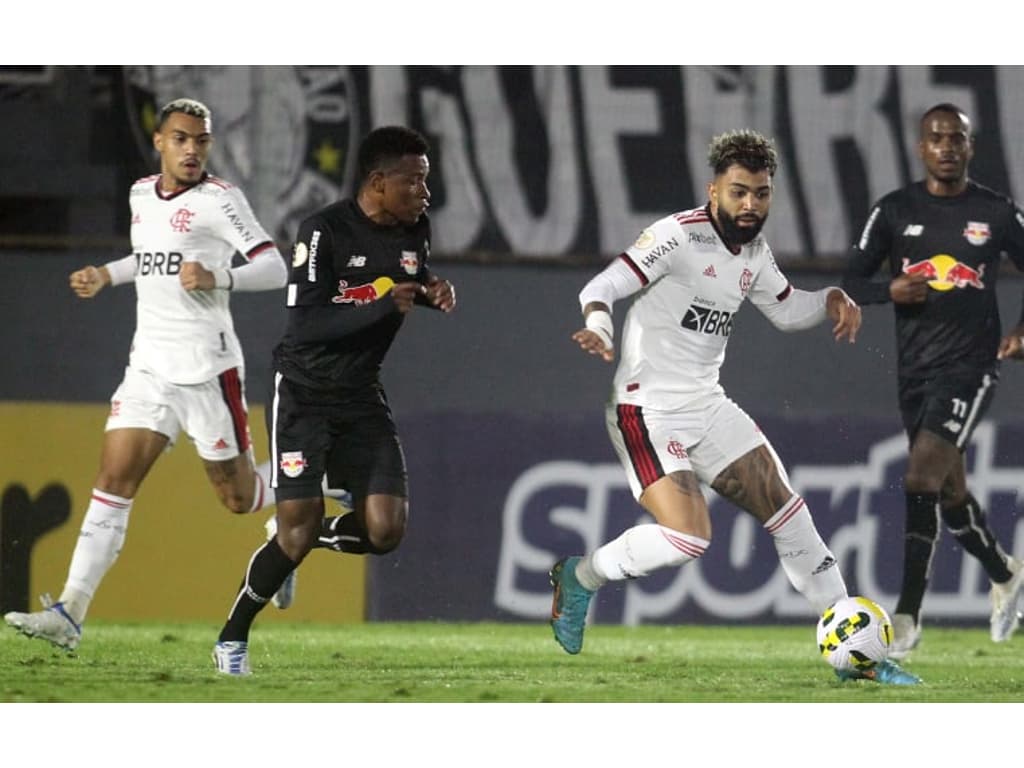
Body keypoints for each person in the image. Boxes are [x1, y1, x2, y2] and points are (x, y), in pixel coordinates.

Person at [550, 128, 920, 685]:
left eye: (762, 193)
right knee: (688, 538)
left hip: (708, 406)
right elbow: (606, 282)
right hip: (646, 412)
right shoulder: (677, 236)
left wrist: (831, 301)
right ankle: (582, 577)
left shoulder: (754, 252)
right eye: (739, 192)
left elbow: (787, 309)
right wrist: (599, 323)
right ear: (714, 190)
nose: (751, 205)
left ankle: (858, 656)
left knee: (787, 510)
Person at [3, 98, 289, 651]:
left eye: (201, 141)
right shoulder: (140, 194)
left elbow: (275, 266)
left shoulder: (220, 200)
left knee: (239, 498)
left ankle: (313, 482)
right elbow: (149, 256)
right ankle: (71, 612)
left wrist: (219, 277)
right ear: (159, 141)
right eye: (181, 139)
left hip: (207, 370)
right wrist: (106, 275)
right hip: (149, 368)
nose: (192, 150)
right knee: (112, 484)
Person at [211, 125, 455, 676]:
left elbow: (405, 282)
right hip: (304, 393)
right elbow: (307, 323)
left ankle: (299, 536)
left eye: (426, 180)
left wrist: (434, 291)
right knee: (296, 528)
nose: (425, 192)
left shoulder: (416, 229)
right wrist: (386, 304)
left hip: (362, 395)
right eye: (415, 181)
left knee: (385, 531)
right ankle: (232, 638)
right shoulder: (322, 232)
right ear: (378, 181)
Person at [842, 103, 1024, 659]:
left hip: (971, 368)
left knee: (920, 476)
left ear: (971, 146)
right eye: (936, 138)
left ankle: (908, 614)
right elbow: (852, 279)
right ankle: (1007, 575)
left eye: (957, 138)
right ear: (921, 147)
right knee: (948, 493)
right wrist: (886, 291)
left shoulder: (995, 211)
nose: (947, 146)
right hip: (915, 372)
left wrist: (1021, 330)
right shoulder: (895, 210)